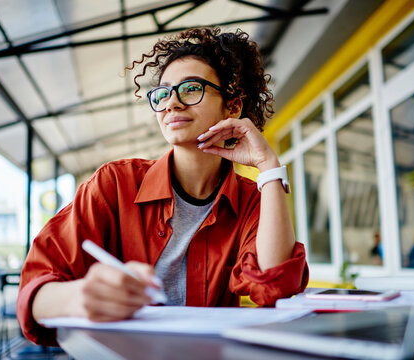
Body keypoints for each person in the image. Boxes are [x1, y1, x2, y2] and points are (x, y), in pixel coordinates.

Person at [17, 27, 309, 346]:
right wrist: (80, 297)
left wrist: (268, 167)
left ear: (233, 107)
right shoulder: (114, 184)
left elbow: (276, 286)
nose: (172, 103)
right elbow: (34, 293)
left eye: (191, 89)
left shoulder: (252, 200)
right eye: (163, 93)